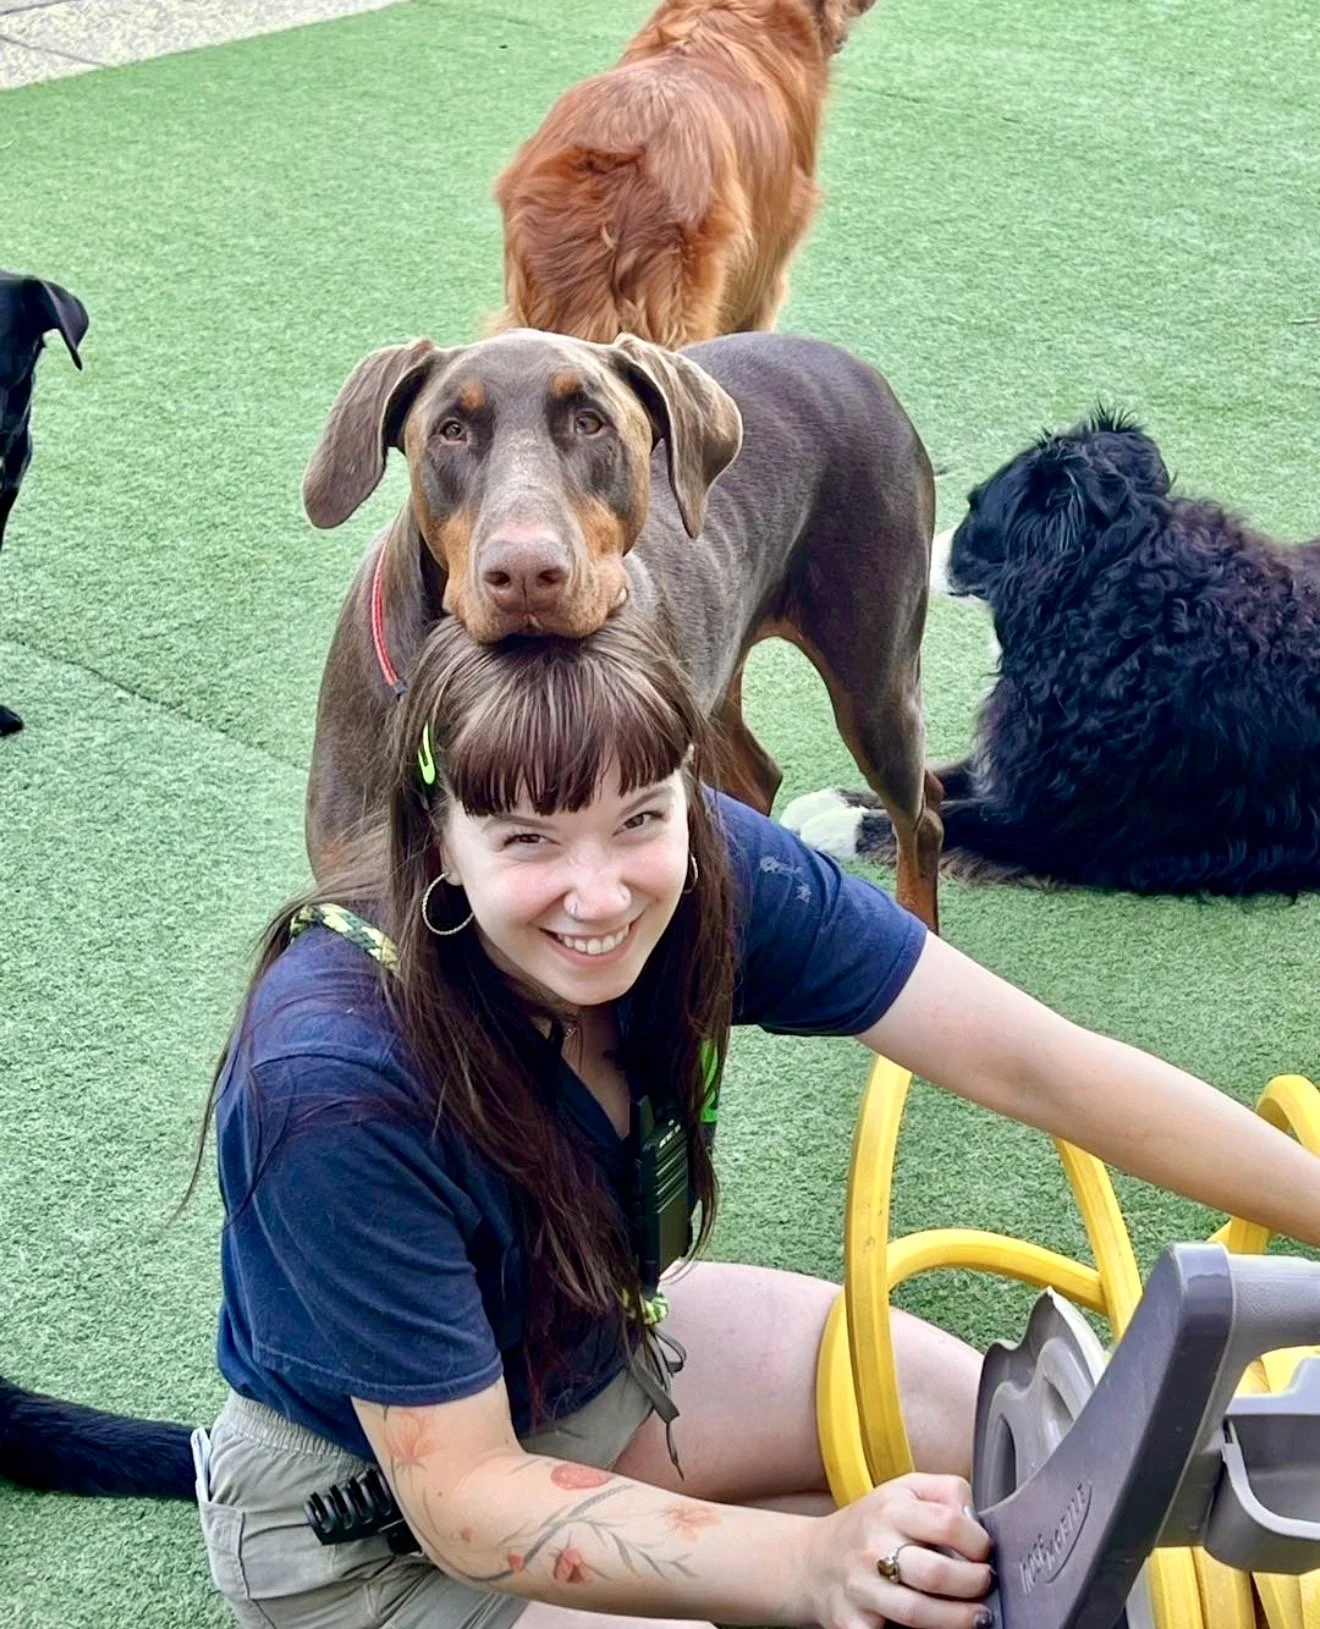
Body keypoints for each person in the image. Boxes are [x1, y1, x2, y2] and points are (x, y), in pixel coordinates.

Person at [194, 611, 1320, 1629]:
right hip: (382, 1530)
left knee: (1054, 1459)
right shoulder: (332, 1076)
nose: (600, 895)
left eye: (640, 818)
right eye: (527, 839)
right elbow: (471, 1504)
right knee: (868, 1577)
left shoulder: (713, 869)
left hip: (597, 1353)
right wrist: (809, 1565)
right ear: (439, 837)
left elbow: (1039, 1065)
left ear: (688, 787)